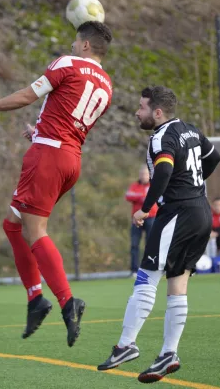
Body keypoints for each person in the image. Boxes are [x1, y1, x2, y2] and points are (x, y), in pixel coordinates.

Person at [0, 21, 113, 347]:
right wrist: (40, 133)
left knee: (35, 231)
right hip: (70, 159)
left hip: (48, 157)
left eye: (76, 39)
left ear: (85, 45)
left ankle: (68, 302)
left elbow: (27, 96)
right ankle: (34, 300)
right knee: (13, 224)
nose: (72, 44)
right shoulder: (107, 84)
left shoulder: (67, 63)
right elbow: (70, 121)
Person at [97, 85, 220, 382]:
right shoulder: (190, 130)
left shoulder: (161, 137)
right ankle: (168, 353)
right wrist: (194, 182)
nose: (138, 113)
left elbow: (163, 172)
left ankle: (125, 345)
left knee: (146, 278)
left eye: (141, 108)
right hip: (201, 212)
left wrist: (145, 208)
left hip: (176, 214)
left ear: (158, 112)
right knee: (177, 283)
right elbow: (214, 157)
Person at [125, 165, 158, 275]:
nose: (143, 176)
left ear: (149, 175)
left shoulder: (154, 185)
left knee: (151, 244)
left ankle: (150, 268)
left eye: (145, 174)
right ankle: (134, 269)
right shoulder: (135, 186)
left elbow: (155, 197)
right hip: (136, 219)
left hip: (151, 218)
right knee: (134, 244)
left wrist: (145, 197)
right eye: (141, 174)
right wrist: (141, 197)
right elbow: (129, 195)